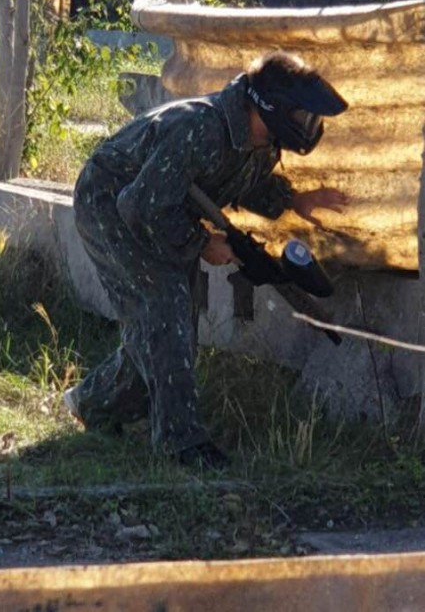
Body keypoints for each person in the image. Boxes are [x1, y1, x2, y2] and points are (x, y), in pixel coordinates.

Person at [64, 51, 348, 469]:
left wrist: (294, 200)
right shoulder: (200, 127)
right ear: (275, 108)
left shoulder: (260, 138)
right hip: (111, 202)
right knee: (165, 310)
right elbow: (138, 205)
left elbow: (241, 180)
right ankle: (182, 445)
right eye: (304, 117)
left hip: (160, 208)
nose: (311, 128)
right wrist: (200, 244)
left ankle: (93, 403)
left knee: (165, 324)